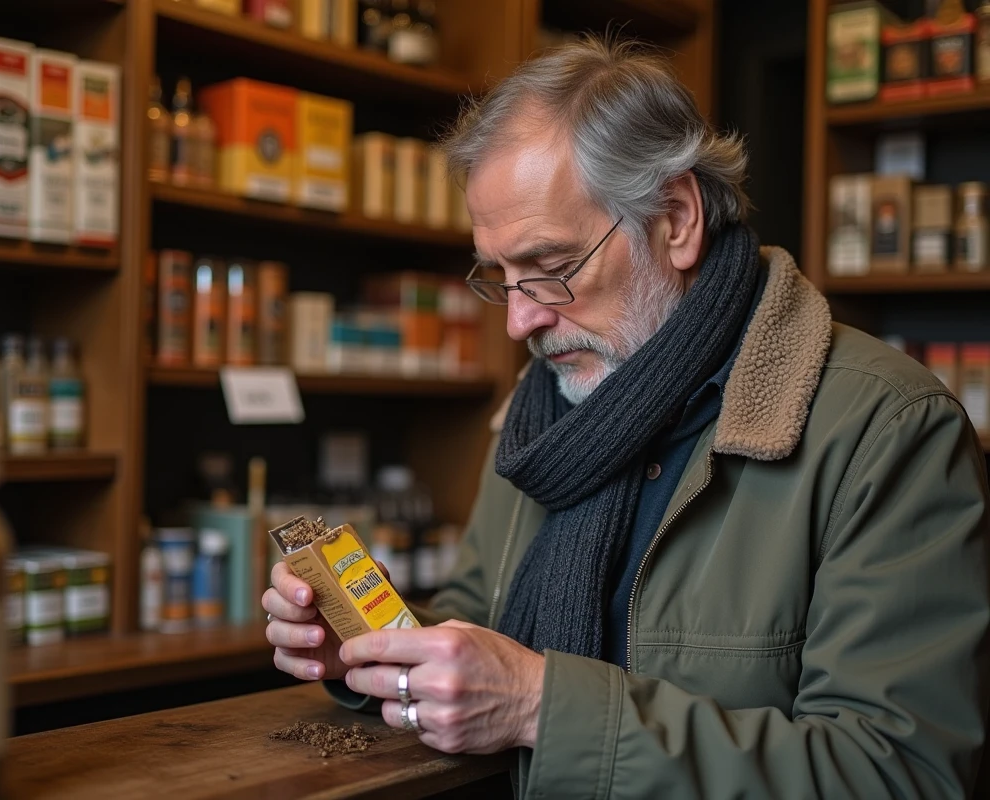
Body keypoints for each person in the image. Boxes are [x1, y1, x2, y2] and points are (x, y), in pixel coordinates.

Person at [263, 35, 990, 798]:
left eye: (550, 269)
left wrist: (543, 708)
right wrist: (379, 655)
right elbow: (479, 630)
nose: (519, 323)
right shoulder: (537, 416)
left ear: (675, 219)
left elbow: (901, 775)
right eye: (500, 277)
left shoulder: (888, 431)